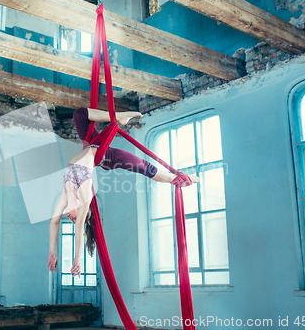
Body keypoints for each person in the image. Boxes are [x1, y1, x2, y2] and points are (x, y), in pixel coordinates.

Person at [48, 108, 199, 277]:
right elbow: (79, 227)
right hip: (106, 156)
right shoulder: (85, 194)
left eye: (72, 218)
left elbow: (54, 223)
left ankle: (118, 117)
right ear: (84, 209)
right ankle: (180, 179)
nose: (71, 218)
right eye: (75, 218)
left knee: (79, 114)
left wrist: (52, 251)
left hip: (94, 144)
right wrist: (77, 259)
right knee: (146, 168)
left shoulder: (65, 196)